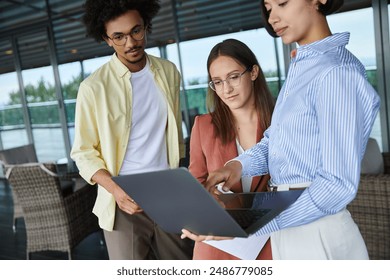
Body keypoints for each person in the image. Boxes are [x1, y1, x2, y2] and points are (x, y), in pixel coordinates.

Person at [182, 0, 380, 259]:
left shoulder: (336, 72)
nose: (273, 17)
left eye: (282, 3)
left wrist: (251, 220)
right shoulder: (302, 67)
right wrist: (237, 166)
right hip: (289, 230)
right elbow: (275, 140)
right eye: (269, 7)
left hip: (316, 232)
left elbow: (337, 185)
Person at [71, 0, 193, 260]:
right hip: (123, 200)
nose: (130, 42)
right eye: (119, 36)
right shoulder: (93, 88)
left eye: (136, 31)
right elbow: (83, 152)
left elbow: (172, 134)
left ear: (146, 26)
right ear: (107, 39)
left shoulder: (169, 72)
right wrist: (115, 190)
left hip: (168, 192)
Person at [188, 39, 275, 260]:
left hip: (269, 242)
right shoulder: (203, 125)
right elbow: (196, 185)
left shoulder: (280, 122)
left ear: (253, 72)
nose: (226, 89)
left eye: (234, 77)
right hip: (217, 247)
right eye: (217, 82)